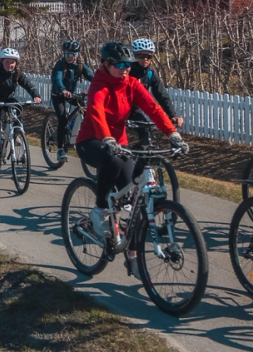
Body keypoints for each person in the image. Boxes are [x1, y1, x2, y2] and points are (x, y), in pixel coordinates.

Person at [75, 42, 185, 246]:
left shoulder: (132, 83)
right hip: (91, 141)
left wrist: (172, 132)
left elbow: (153, 108)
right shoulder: (98, 85)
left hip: (118, 143)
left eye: (128, 64)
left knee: (132, 198)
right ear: (106, 64)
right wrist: (106, 138)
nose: (126, 68)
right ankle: (99, 211)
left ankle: (133, 256)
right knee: (114, 161)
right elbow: (97, 112)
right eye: (120, 64)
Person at [0, 48, 42, 174]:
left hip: (8, 99)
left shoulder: (17, 73)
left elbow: (28, 84)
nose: (10, 65)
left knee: (18, 108)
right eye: (7, 62)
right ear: (2, 61)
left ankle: (17, 132)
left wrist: (35, 95)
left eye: (12, 62)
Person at [50, 40, 94, 162]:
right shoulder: (60, 64)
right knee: (63, 119)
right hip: (58, 94)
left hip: (71, 95)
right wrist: (63, 90)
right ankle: (60, 150)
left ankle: (80, 135)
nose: (68, 57)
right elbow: (58, 79)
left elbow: (91, 76)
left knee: (85, 109)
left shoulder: (80, 65)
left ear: (77, 54)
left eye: (71, 54)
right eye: (66, 54)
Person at [129, 38, 183, 134]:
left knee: (146, 135)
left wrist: (172, 115)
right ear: (134, 55)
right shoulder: (124, 72)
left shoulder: (150, 75)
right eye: (141, 55)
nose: (145, 59)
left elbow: (162, 96)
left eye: (148, 56)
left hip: (134, 112)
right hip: (116, 112)